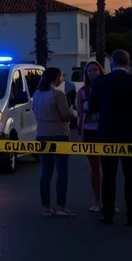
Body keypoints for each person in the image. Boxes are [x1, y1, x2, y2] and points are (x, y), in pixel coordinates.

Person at [87, 49, 132, 226]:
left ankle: (108, 214)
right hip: (131, 135)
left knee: (108, 176)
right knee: (131, 177)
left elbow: (93, 107)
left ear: (111, 63)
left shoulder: (100, 82)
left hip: (107, 134)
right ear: (128, 64)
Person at [32, 67, 75, 216]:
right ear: (55, 78)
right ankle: (62, 206)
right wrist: (71, 112)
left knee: (45, 171)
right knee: (62, 170)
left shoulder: (37, 94)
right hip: (59, 134)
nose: (62, 79)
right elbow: (64, 115)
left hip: (42, 133)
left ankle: (46, 206)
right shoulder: (58, 94)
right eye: (60, 76)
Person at [77, 61, 105, 213]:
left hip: (105, 131)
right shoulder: (82, 91)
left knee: (108, 168)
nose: (93, 73)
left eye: (96, 70)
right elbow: (80, 114)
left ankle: (109, 201)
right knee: (95, 168)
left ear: (101, 71)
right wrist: (80, 134)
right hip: (89, 131)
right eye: (90, 70)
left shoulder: (107, 89)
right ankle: (98, 200)